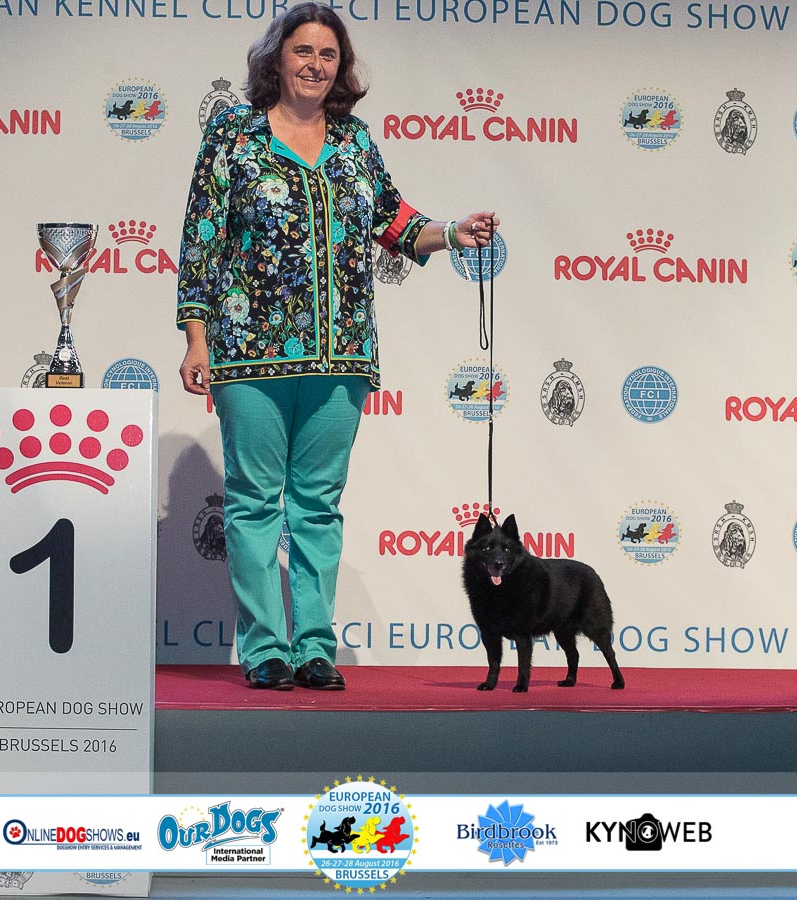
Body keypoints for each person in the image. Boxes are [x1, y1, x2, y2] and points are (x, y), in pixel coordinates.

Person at [177, 1, 499, 691]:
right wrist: (197, 337)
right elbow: (201, 240)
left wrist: (453, 233)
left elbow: (393, 220)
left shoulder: (355, 141)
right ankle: (266, 649)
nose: (315, 64)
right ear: (277, 57)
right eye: (303, 51)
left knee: (317, 507)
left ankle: (315, 648)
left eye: (328, 55)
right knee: (254, 503)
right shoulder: (232, 134)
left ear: (341, 67)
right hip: (248, 354)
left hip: (341, 355)